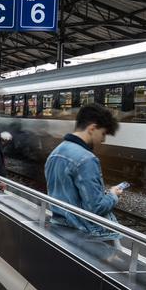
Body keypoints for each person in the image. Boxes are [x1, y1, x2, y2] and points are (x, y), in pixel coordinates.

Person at [44, 103, 122, 241]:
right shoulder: (87, 159)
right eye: (103, 133)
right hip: (86, 233)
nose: (103, 140)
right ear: (92, 128)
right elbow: (96, 208)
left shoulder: (55, 153)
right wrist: (113, 195)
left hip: (60, 225)